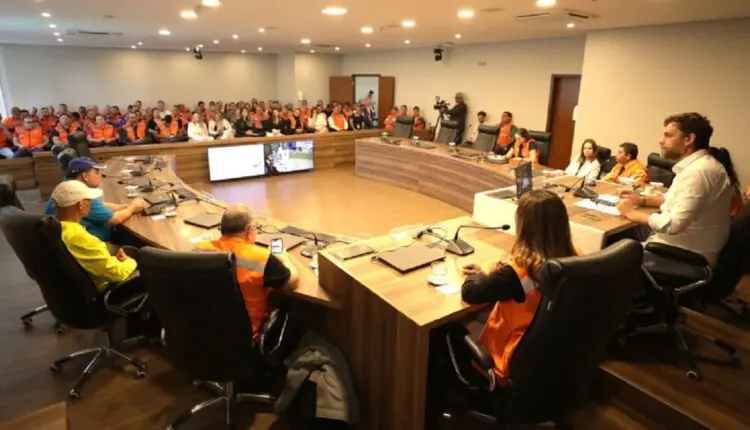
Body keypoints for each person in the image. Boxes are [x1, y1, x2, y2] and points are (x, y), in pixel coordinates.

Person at [461, 189, 577, 382]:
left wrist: (485, 271)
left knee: (452, 329)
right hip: (548, 354)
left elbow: (470, 292)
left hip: (509, 360)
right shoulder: (573, 258)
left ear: (524, 227)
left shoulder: (520, 272)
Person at [616, 113, 733, 266]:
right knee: (618, 234)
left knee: (609, 251)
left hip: (681, 255)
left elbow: (673, 225)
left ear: (688, 139)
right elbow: (672, 198)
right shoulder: (701, 165)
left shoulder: (699, 172)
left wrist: (631, 213)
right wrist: (642, 200)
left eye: (668, 135)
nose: (661, 141)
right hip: (685, 243)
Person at [194, 204, 299, 340]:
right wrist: (285, 259)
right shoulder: (261, 258)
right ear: (249, 231)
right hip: (243, 338)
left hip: (203, 332)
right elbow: (292, 282)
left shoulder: (199, 250)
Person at [50, 180, 138, 292]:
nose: (91, 202)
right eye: (89, 199)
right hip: (108, 289)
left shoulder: (56, 228)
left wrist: (113, 260)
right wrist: (130, 261)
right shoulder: (79, 238)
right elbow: (117, 273)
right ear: (80, 205)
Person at [45, 157, 146, 242]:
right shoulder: (79, 194)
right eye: (96, 173)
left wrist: (122, 207)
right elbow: (114, 219)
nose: (100, 176)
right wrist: (133, 208)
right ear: (85, 176)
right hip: (91, 244)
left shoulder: (67, 186)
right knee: (135, 240)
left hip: (70, 241)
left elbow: (99, 205)